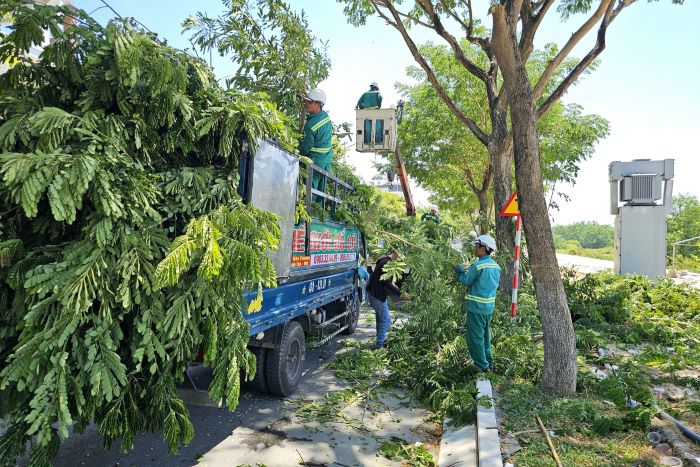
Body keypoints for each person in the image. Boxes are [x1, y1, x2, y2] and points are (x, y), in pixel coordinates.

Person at [455, 234, 501, 372]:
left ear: (483, 248)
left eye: (476, 246)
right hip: (488, 309)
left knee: (475, 338)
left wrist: (459, 272)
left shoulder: (478, 265)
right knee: (485, 337)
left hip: (476, 308)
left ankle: (482, 366)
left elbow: (466, 281)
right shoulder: (496, 266)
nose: (475, 249)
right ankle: (489, 363)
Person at [367, 251, 408, 349]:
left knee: (384, 320)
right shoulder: (387, 263)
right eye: (400, 257)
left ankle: (382, 341)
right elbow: (387, 282)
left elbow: (387, 281)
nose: (401, 260)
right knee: (385, 320)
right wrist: (401, 293)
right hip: (376, 295)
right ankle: (380, 344)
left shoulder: (383, 260)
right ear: (396, 254)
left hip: (376, 294)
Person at [299, 88, 333, 191]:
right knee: (320, 194)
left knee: (309, 192)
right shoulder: (325, 116)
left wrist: (298, 152)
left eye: (309, 102)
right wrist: (302, 97)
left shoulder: (310, 125)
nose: (306, 103)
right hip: (326, 162)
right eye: (305, 101)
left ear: (318, 104)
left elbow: (306, 147)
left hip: (315, 162)